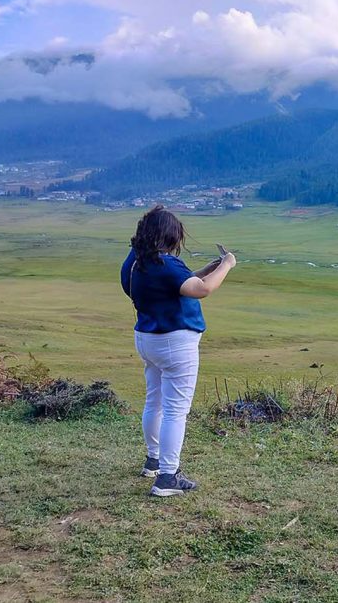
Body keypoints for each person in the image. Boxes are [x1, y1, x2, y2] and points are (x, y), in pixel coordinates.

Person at [120, 205, 236, 497]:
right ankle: (168, 478)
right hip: (175, 342)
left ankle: (154, 460)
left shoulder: (134, 263)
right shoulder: (165, 264)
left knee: (155, 401)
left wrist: (205, 270)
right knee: (176, 411)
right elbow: (201, 290)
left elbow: (176, 285)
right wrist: (226, 265)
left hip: (147, 338)